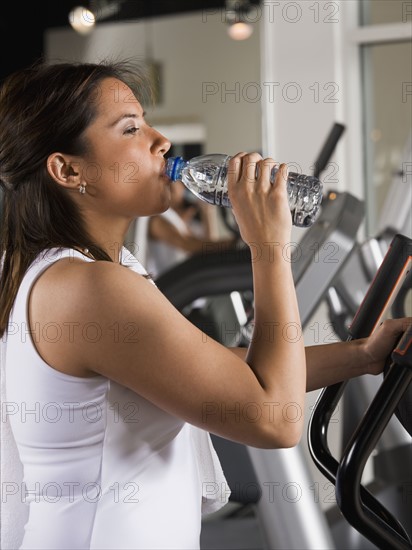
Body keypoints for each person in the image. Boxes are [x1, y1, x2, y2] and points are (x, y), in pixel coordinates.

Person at [0, 59, 409, 550]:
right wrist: (268, 247)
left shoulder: (90, 273)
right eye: (131, 128)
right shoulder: (87, 288)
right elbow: (274, 418)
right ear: (68, 169)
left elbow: (220, 372)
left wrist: (361, 356)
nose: (161, 142)